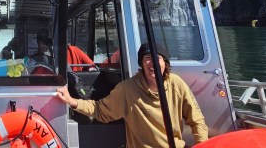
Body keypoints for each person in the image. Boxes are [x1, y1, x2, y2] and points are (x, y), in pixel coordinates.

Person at [56, 42, 208, 148]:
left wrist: (203, 145)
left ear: (165, 63)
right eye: (147, 58)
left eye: (158, 58)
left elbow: (197, 120)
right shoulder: (127, 89)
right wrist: (72, 101)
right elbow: (100, 110)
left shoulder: (177, 84)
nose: (152, 62)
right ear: (141, 64)